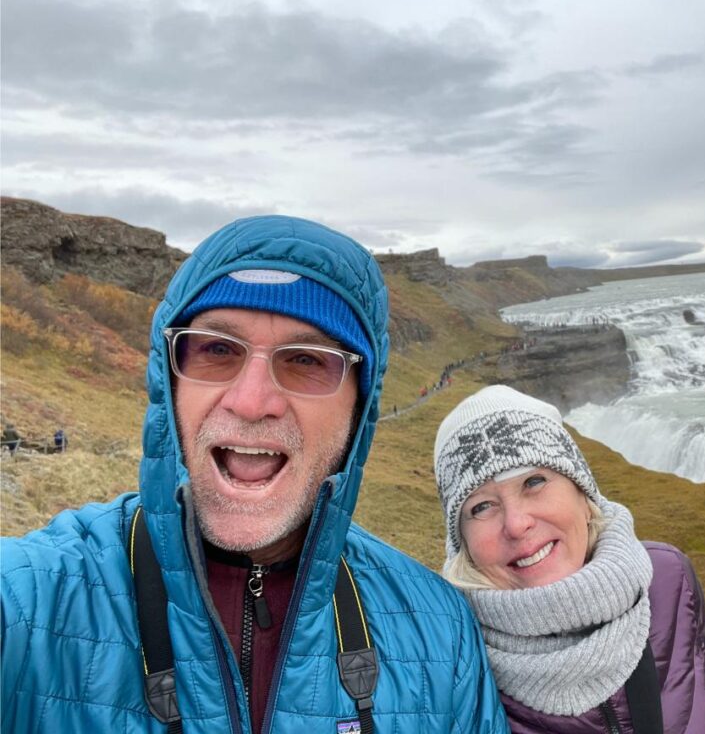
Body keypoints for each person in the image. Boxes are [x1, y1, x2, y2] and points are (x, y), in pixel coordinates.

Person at [2, 216, 507, 733]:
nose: (252, 402)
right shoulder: (31, 600)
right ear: (167, 383)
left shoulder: (442, 635)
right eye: (217, 349)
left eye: (307, 359)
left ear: (360, 410)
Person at [434, 385, 705, 733]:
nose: (516, 524)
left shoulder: (670, 580)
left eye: (534, 481)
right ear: (463, 544)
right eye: (481, 506)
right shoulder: (448, 658)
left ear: (582, 491)